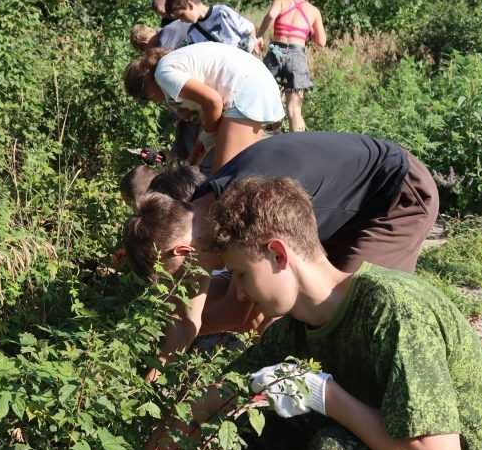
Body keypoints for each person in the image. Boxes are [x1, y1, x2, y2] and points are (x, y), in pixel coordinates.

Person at [131, 176, 482, 450]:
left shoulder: (393, 310)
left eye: (240, 274)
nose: (238, 293)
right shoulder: (296, 328)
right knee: (246, 415)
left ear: (277, 254)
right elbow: (213, 400)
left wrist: (327, 397)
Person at [122, 131, 439, 362]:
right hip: (335, 205)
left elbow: (248, 312)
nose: (178, 285)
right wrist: (151, 379)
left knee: (351, 317)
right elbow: (187, 322)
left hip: (394, 195)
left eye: (172, 277)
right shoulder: (201, 211)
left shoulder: (245, 213)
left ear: (183, 252)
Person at [123, 43, 284, 173]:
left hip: (245, 89)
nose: (152, 102)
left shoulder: (162, 74)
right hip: (256, 83)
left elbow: (214, 102)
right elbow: (208, 120)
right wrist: (191, 163)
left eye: (145, 98)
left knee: (222, 183)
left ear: (144, 85)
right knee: (243, 173)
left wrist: (208, 135)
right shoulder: (174, 64)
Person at [256, 0, 327, 132]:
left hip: (275, 52)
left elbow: (271, 16)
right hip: (297, 55)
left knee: (266, 101)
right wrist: (309, 31)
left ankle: (268, 137)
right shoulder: (313, 11)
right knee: (294, 109)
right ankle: (297, 148)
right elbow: (321, 42)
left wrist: (259, 35)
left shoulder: (280, 2)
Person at [165, 0, 260, 52]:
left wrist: (247, 49)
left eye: (181, 15)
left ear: (190, 5)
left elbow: (250, 30)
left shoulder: (222, 12)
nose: (181, 20)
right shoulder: (192, 33)